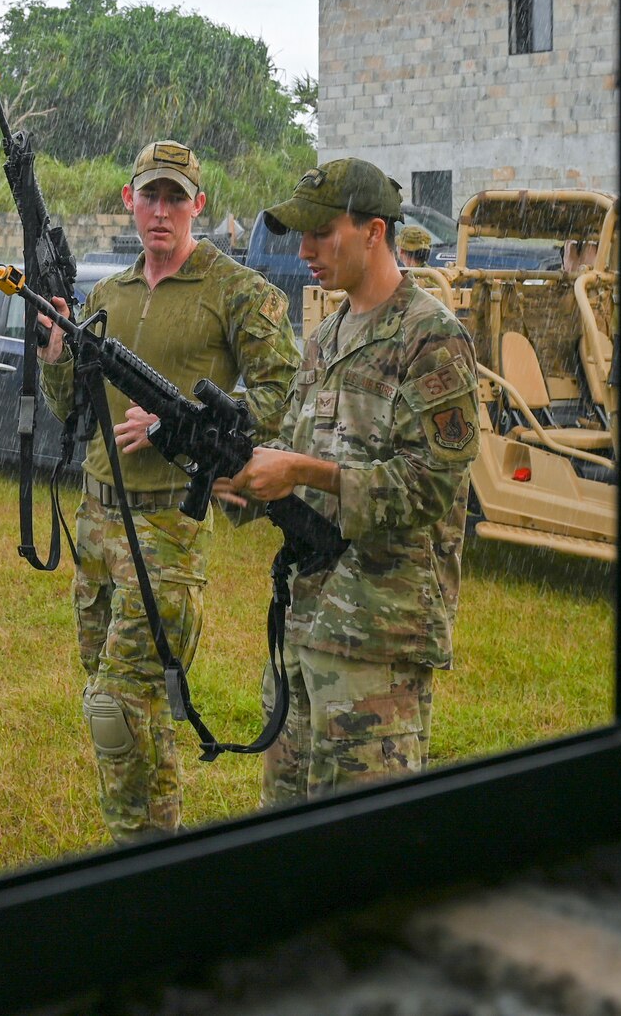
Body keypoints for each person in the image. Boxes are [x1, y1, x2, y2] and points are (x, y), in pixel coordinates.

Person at [38, 140, 299, 840]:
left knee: (118, 706)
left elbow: (283, 384)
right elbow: (69, 407)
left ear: (198, 206)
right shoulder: (106, 295)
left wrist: (188, 429)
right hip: (97, 521)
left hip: (167, 532)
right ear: (129, 200)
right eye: (149, 196)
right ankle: (149, 845)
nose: (161, 212)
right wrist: (56, 356)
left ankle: (136, 849)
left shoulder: (234, 289)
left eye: (175, 198)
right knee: (122, 702)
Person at [211, 158, 479, 807]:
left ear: (374, 232)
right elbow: (306, 463)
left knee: (362, 848)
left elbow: (430, 488)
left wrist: (301, 470)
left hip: (378, 640)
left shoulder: (431, 340)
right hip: (306, 626)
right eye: (299, 235)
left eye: (320, 233)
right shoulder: (324, 339)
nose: (303, 250)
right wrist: (244, 481)